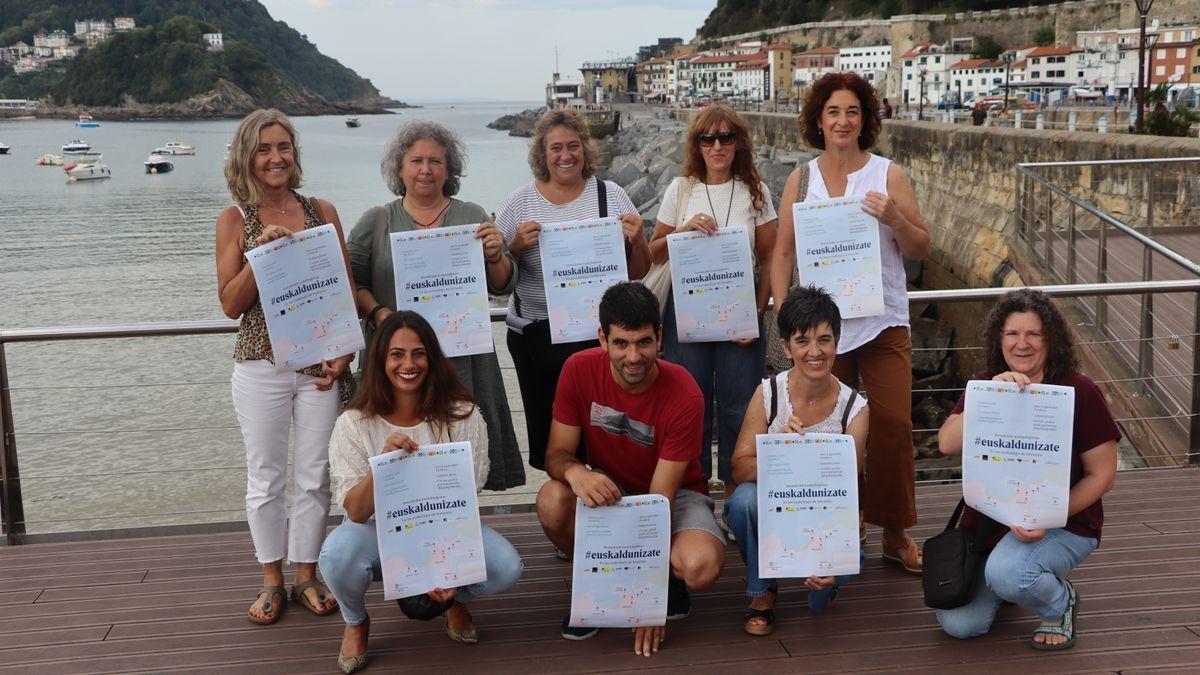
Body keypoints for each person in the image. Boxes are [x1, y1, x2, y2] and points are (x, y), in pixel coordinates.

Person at [770, 72, 931, 574]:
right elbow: (782, 253)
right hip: (824, 334)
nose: (843, 120)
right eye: (833, 111)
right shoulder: (801, 180)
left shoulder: (889, 175)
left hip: (882, 325)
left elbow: (920, 248)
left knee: (893, 427)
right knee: (829, 432)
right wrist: (784, 317)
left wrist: (894, 219)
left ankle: (895, 531)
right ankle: (839, 527)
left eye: (853, 111)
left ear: (867, 119)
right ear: (818, 120)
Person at [319, 311, 525, 673]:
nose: (408, 364)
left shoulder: (463, 415)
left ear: (433, 358)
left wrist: (449, 571)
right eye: (396, 354)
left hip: (443, 526)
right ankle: (355, 621)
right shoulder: (353, 422)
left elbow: (465, 501)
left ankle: (456, 600)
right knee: (336, 555)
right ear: (380, 360)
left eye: (419, 353)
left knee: (507, 566)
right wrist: (382, 464)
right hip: (379, 531)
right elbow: (355, 512)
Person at [535, 282, 725, 656]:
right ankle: (593, 577)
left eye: (643, 342)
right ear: (602, 338)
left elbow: (660, 498)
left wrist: (647, 596)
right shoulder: (577, 369)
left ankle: (668, 580)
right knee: (551, 499)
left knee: (701, 565)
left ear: (660, 338)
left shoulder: (685, 393)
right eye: (621, 343)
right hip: (612, 489)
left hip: (673, 495)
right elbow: (556, 455)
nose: (633, 356)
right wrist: (577, 473)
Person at [216, 109, 351, 625]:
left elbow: (342, 289)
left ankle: (306, 575)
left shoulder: (322, 210)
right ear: (246, 158)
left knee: (316, 475)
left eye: (283, 147)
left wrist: (346, 351)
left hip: (320, 366)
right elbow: (230, 304)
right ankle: (272, 580)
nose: (275, 157)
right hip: (260, 366)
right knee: (266, 477)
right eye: (263, 149)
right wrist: (260, 257)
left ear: (295, 153)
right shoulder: (234, 219)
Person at [345, 120, 525, 491]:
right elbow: (351, 283)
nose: (425, 169)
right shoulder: (376, 221)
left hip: (460, 357)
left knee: (459, 449)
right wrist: (380, 315)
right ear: (399, 168)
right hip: (396, 358)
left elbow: (504, 284)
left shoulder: (472, 215)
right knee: (397, 444)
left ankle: (459, 530)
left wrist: (495, 255)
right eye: (416, 161)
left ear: (449, 170)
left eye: (435, 161)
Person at [935, 289, 1119, 650]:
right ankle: (1011, 582)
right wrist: (987, 396)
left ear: (1050, 338)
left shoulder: (1079, 391)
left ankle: (1060, 603)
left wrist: (1047, 515)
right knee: (959, 624)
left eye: (1034, 334)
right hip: (989, 527)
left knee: (1009, 573)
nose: (1023, 344)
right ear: (999, 339)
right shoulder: (988, 382)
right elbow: (947, 444)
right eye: (1013, 334)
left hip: (1064, 523)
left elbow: (1104, 474)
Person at [496, 108, 651, 472]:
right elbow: (496, 278)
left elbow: (638, 272)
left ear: (585, 149)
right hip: (537, 336)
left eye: (573, 146)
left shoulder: (609, 194)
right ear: (541, 155)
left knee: (603, 437)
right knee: (552, 442)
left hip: (599, 338)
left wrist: (638, 239)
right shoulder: (520, 201)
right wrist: (515, 247)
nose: (565, 156)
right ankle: (563, 512)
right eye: (555, 148)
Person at [649, 103, 778, 514]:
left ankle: (740, 504)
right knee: (692, 408)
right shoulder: (679, 189)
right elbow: (651, 255)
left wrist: (756, 315)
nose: (717, 145)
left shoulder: (756, 192)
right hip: (686, 318)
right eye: (709, 138)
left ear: (739, 143)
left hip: (741, 318)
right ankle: (697, 502)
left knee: (741, 410)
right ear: (697, 145)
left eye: (726, 137)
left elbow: (772, 258)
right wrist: (683, 232)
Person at [725, 285, 869, 635]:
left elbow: (847, 489)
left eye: (825, 339)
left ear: (837, 342)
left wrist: (830, 550)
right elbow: (740, 468)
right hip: (779, 508)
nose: (815, 351)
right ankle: (762, 591)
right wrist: (778, 449)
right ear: (787, 348)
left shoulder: (856, 408)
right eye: (802, 341)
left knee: (821, 598)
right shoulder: (769, 393)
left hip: (827, 515)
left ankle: (827, 583)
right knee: (742, 502)